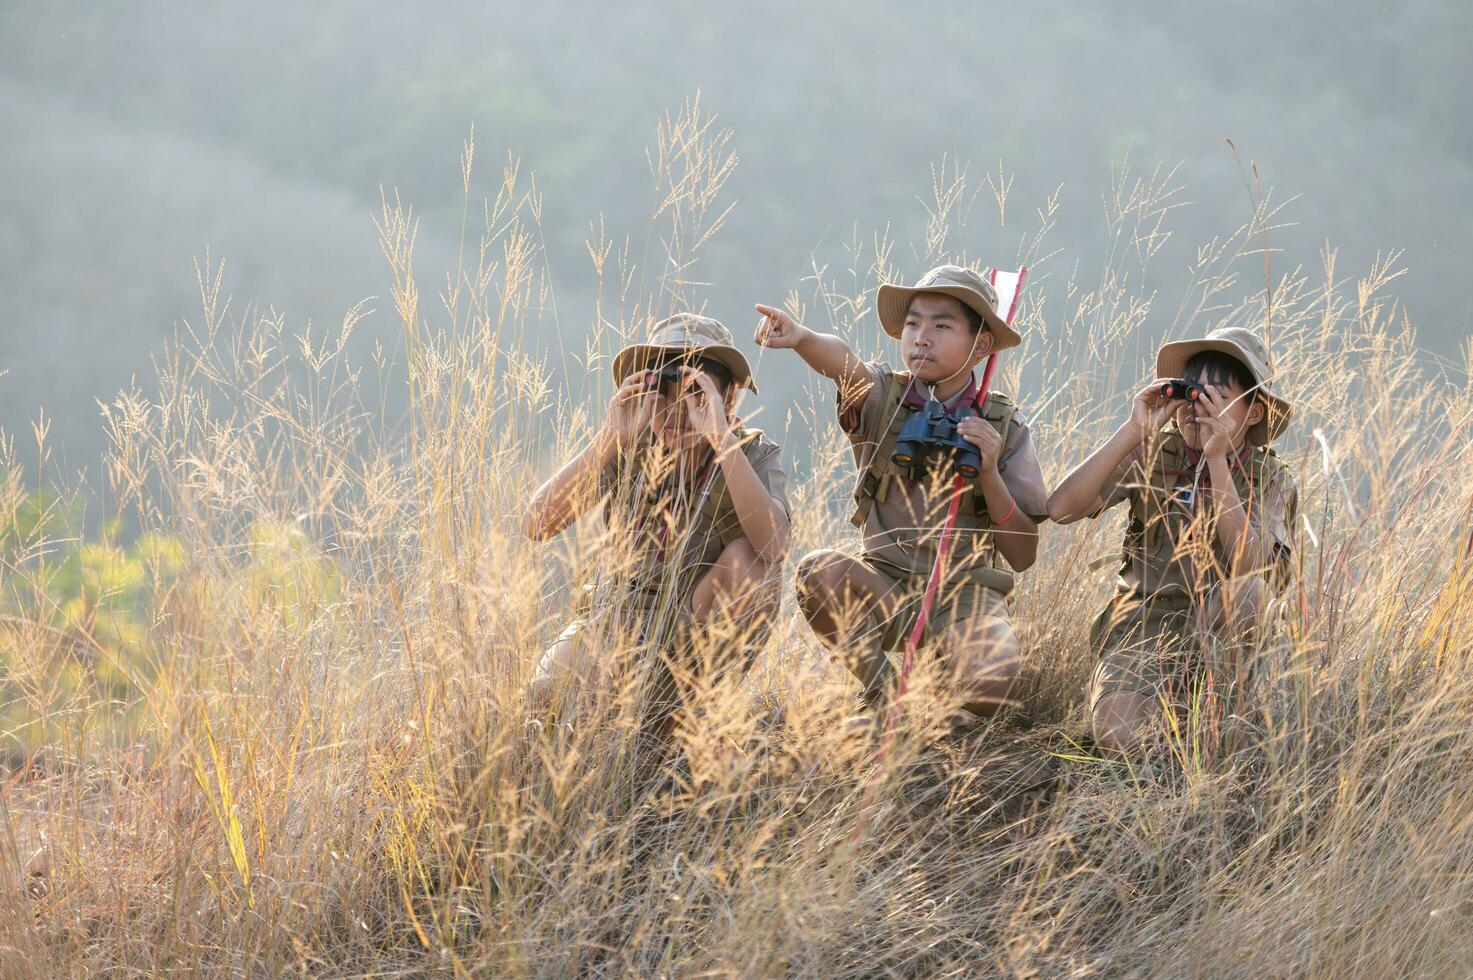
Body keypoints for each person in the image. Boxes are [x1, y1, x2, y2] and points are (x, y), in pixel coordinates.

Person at [755, 264, 1048, 732]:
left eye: (942, 325)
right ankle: (887, 698)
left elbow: (1023, 553)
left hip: (966, 595)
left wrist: (989, 471)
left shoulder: (1004, 426)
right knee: (818, 572)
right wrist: (802, 337)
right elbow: (842, 362)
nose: (921, 338)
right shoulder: (884, 398)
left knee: (991, 680)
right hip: (886, 585)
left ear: (982, 344)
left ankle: (948, 705)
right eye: (913, 323)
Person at [523, 313, 791, 741]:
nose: (678, 410)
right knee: (541, 700)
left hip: (694, 621)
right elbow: (536, 523)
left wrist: (721, 439)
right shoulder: (629, 444)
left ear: (729, 400)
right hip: (617, 617)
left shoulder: (748, 452)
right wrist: (611, 438)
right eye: (662, 393)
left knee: (749, 564)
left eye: (695, 394)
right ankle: (626, 731)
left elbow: (773, 546)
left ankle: (677, 724)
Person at [1047, 326, 1297, 752]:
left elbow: (1250, 566)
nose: (1199, 410)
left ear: (1254, 413)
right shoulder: (1154, 454)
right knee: (1118, 737)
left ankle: (1224, 712)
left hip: (1218, 624)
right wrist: (1133, 432)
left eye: (1219, 398)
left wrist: (1217, 459)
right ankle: (1177, 720)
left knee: (1250, 595)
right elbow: (1062, 509)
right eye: (1191, 395)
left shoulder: (1268, 475)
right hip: (1141, 625)